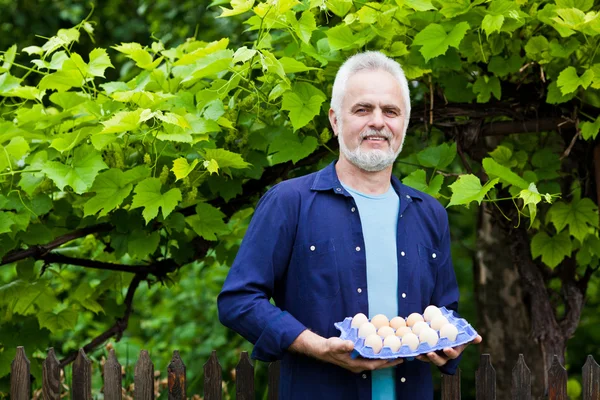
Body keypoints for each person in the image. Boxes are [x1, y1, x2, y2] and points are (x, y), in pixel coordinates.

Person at [218, 51, 481, 399]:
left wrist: (449, 343)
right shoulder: (289, 202)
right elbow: (238, 300)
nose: (378, 122)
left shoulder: (429, 213)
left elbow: (443, 311)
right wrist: (315, 345)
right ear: (335, 120)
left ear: (404, 122)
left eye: (390, 111)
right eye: (362, 109)